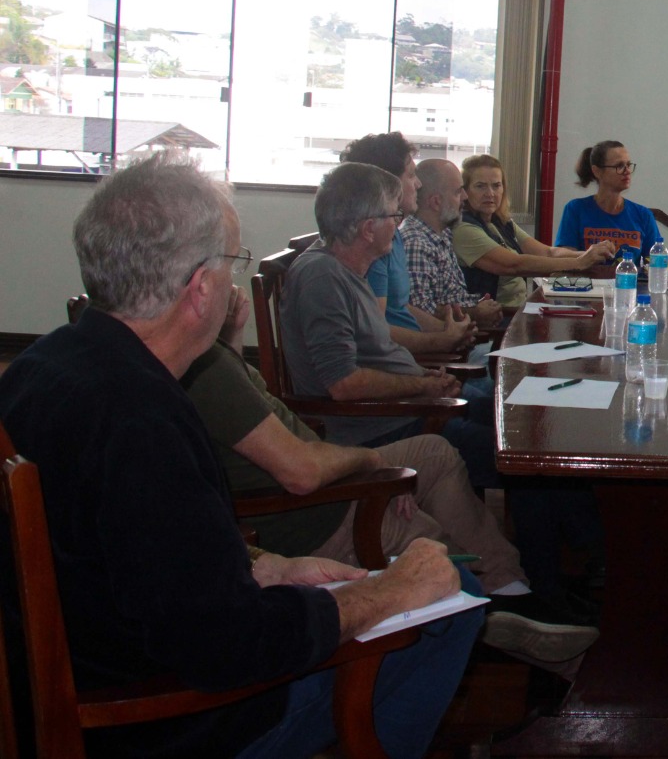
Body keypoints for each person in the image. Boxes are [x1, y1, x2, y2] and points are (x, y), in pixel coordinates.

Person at [0, 152, 480, 759]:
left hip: (100, 664)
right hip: (165, 720)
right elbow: (224, 647)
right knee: (445, 602)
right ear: (200, 289)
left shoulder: (47, 365)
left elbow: (127, 553)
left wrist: (265, 564)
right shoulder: (142, 419)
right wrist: (385, 596)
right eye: (232, 267)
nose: (232, 286)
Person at [183, 290, 600, 667]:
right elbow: (302, 472)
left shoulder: (202, 354)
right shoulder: (205, 371)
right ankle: (479, 612)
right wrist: (370, 466)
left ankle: (509, 590)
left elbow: (235, 410)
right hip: (317, 513)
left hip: (324, 473)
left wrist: (231, 332)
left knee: (433, 453)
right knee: (413, 512)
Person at [282, 162, 467, 450]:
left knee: (494, 422)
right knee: (499, 442)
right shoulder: (323, 277)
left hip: (403, 410)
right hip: (376, 425)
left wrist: (425, 378)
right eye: (394, 215)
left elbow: (375, 355)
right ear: (369, 229)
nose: (398, 225)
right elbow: (344, 384)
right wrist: (422, 387)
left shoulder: (352, 269)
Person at [342, 132, 475, 356]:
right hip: (409, 360)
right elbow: (376, 334)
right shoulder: (369, 244)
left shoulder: (392, 234)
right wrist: (441, 340)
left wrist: (449, 331)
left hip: (415, 355)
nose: (419, 183)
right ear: (385, 183)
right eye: (411, 175)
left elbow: (401, 307)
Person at [453, 153, 614, 310]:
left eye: (496, 185)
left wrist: (593, 255)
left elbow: (548, 252)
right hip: (498, 317)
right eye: (480, 186)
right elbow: (513, 265)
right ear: (465, 191)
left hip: (519, 309)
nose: (490, 193)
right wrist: (579, 263)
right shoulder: (463, 228)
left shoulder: (501, 222)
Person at [401, 157, 503, 331]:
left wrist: (481, 306)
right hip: (447, 350)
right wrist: (475, 312)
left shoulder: (443, 233)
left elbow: (451, 297)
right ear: (436, 202)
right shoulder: (416, 244)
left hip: (465, 335)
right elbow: (421, 311)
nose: (465, 197)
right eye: (458, 192)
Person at [555, 140, 662, 264]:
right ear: (597, 171)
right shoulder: (575, 209)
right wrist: (588, 255)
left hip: (628, 282)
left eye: (628, 165)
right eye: (619, 166)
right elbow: (563, 257)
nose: (627, 171)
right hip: (587, 282)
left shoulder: (643, 215)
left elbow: (656, 263)